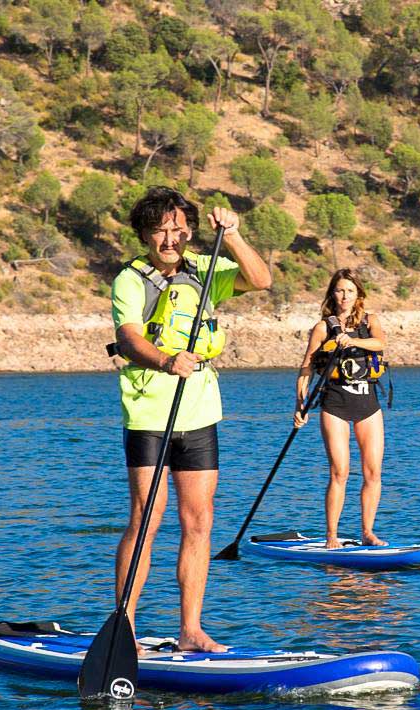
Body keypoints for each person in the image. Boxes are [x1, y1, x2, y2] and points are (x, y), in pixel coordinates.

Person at [110, 187, 270, 652]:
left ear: (190, 232)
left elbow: (260, 280)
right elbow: (128, 340)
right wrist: (164, 361)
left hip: (199, 411)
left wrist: (235, 236)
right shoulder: (130, 280)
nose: (169, 239)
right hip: (149, 412)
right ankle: (126, 628)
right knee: (146, 518)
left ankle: (191, 630)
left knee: (199, 520)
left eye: (178, 230)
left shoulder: (206, 268)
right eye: (159, 230)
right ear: (144, 234)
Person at [293, 269, 388, 549]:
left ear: (358, 293)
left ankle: (368, 532)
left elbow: (380, 343)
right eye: (339, 290)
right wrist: (300, 403)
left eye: (350, 290)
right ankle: (332, 536)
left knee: (373, 473)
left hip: (368, 405)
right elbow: (306, 367)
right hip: (335, 404)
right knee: (340, 472)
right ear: (332, 294)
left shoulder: (371, 322)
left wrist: (353, 340)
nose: (344, 296)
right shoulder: (323, 328)